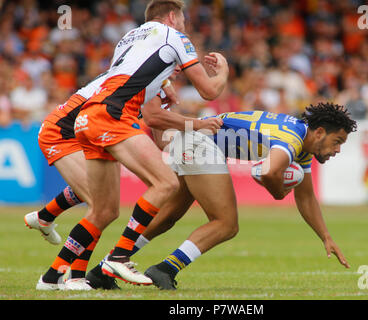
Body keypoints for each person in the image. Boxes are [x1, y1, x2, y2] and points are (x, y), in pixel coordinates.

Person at [36, 0, 229, 290]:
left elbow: (145, 104)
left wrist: (164, 82)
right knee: (166, 183)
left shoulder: (128, 40)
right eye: (184, 20)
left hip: (87, 117)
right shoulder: (175, 36)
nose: (185, 26)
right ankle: (119, 255)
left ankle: (54, 275)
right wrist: (223, 70)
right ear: (174, 17)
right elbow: (209, 91)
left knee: (103, 211)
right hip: (110, 115)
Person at [88, 102, 357, 290]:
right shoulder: (292, 139)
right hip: (198, 143)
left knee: (169, 216)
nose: (337, 150)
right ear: (319, 132)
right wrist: (277, 192)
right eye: (338, 142)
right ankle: (166, 268)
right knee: (226, 223)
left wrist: (326, 237)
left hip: (193, 140)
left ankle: (105, 267)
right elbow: (269, 173)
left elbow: (306, 198)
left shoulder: (303, 146)